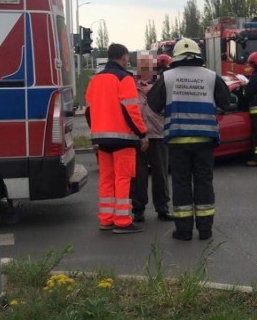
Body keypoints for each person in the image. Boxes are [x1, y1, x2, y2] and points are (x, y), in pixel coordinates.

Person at [147, 38, 233, 241]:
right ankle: (205, 230)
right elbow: (226, 102)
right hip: (205, 139)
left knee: (181, 183)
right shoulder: (211, 77)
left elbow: (153, 105)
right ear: (198, 55)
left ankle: (184, 231)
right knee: (204, 182)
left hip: (178, 140)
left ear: (176, 56)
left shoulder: (167, 78)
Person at [85, 43, 148, 234]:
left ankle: (106, 219)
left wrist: (96, 131)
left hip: (101, 138)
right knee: (123, 178)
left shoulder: (95, 80)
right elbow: (131, 110)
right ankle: (122, 220)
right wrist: (142, 133)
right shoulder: (125, 78)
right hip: (123, 139)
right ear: (124, 58)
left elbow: (88, 110)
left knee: (106, 179)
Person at [129, 52, 173, 223]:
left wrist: (154, 91)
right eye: (143, 65)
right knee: (138, 175)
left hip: (158, 133)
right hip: (138, 136)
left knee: (160, 174)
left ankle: (162, 208)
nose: (146, 69)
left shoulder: (162, 84)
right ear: (138, 67)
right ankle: (138, 209)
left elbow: (170, 105)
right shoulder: (130, 85)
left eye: (149, 65)